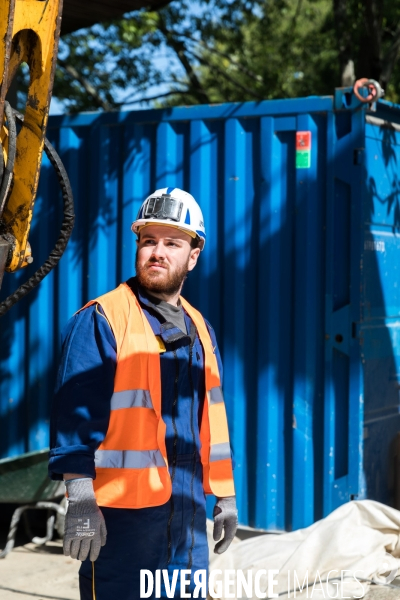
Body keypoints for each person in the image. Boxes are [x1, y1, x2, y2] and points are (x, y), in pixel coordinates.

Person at [49, 187, 237, 599]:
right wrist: (80, 497)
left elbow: (213, 420)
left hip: (187, 517)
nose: (157, 252)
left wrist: (224, 495)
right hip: (122, 521)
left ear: (193, 255)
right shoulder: (102, 319)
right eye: (148, 241)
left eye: (172, 243)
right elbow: (73, 420)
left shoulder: (201, 328)